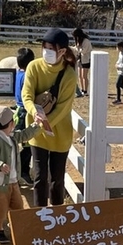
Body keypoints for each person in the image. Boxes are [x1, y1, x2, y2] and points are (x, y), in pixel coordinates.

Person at [22, 28, 78, 208]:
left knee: (57, 179)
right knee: (40, 177)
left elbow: (63, 108)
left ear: (62, 51)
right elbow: (27, 95)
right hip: (37, 133)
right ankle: (39, 215)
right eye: (44, 47)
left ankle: (57, 217)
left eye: (51, 49)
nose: (46, 52)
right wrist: (34, 113)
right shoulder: (34, 66)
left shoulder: (69, 74)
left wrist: (45, 123)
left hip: (60, 134)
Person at [0, 105, 37, 244]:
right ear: (10, 123)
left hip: (13, 181)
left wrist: (37, 125)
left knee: (17, 205)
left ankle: (17, 228)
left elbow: (25, 135)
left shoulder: (11, 137)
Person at [13, 47, 35, 185]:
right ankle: (23, 171)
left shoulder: (18, 74)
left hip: (18, 110)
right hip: (25, 112)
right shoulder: (27, 76)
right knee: (28, 143)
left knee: (21, 142)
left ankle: (22, 171)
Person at [73, 27, 92, 97]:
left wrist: (78, 48)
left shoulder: (86, 41)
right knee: (80, 76)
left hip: (86, 60)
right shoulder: (79, 41)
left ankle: (86, 91)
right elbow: (76, 48)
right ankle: (82, 89)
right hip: (80, 60)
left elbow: (84, 51)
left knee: (84, 76)